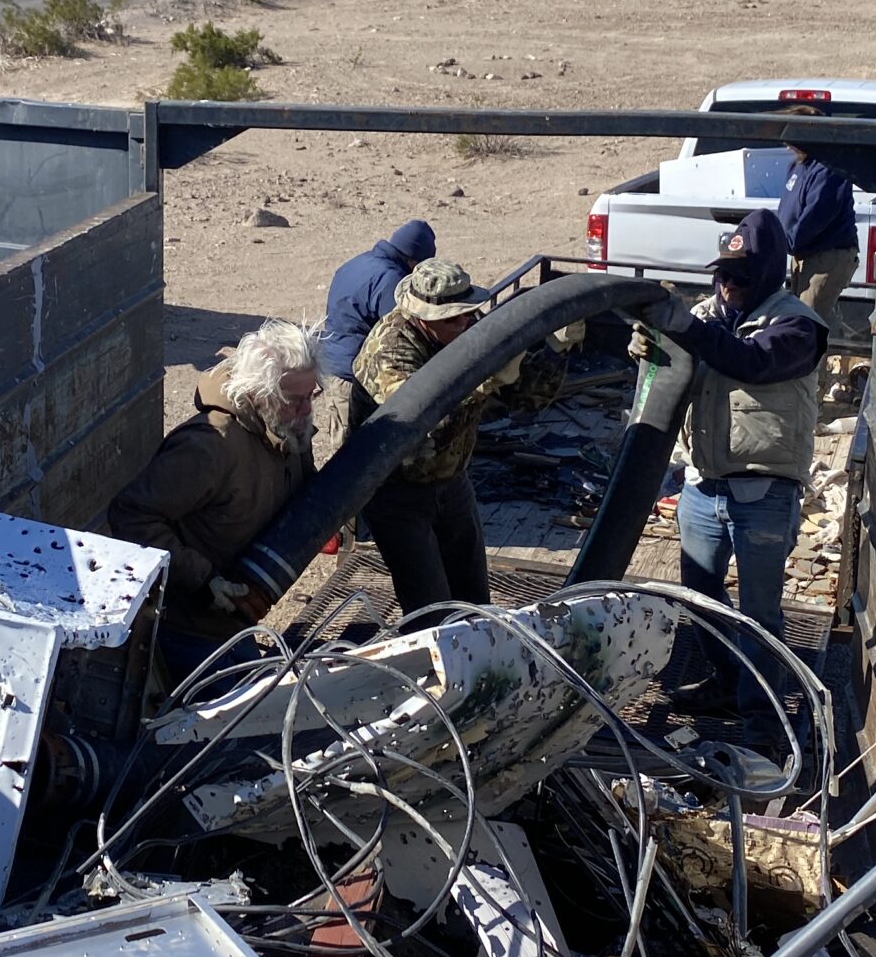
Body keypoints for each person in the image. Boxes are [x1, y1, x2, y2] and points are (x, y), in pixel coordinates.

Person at [635, 212, 829, 729]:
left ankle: (764, 721)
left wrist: (687, 328)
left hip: (763, 494)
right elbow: (673, 363)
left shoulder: (797, 327)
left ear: (768, 274)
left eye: (741, 276)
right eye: (722, 274)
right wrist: (651, 346)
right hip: (703, 486)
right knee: (700, 600)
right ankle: (726, 683)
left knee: (760, 615)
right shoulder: (709, 316)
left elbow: (749, 362)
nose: (728, 285)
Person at [352, 258, 561, 618]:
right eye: (454, 318)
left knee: (474, 598)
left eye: (469, 313)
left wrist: (555, 352)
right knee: (429, 605)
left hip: (451, 482)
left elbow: (528, 398)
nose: (466, 323)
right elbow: (421, 425)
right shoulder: (390, 351)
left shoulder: (464, 327)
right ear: (424, 318)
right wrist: (490, 380)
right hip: (397, 492)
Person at [107, 320, 322, 660]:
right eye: (294, 400)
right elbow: (132, 514)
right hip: (185, 628)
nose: (307, 409)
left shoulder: (289, 433)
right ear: (258, 393)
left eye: (311, 395)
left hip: (235, 624)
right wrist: (204, 580)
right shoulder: (210, 447)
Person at [319, 219, 437, 375]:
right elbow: (403, 332)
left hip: (330, 363)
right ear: (412, 261)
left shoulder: (355, 263)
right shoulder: (391, 279)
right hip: (353, 371)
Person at [776, 138, 859, 326]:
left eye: (791, 139)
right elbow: (788, 210)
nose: (787, 145)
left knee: (806, 323)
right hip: (803, 253)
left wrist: (782, 243)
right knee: (800, 318)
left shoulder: (829, 169)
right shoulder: (798, 166)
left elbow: (815, 217)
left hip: (826, 256)